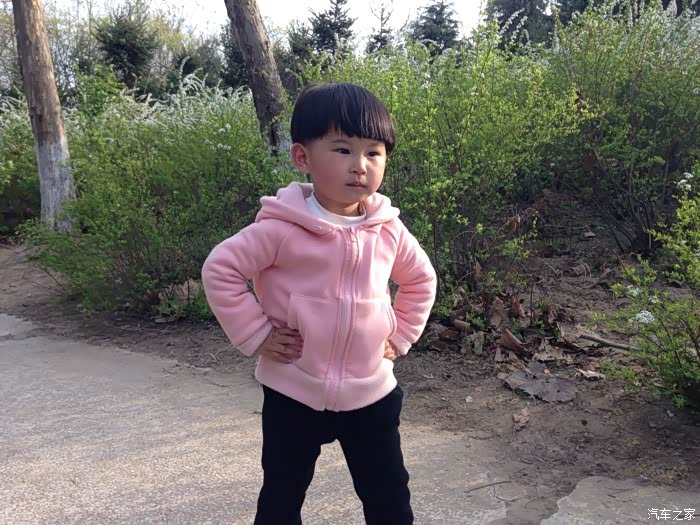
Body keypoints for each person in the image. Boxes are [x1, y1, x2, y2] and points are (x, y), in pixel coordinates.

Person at [201, 82, 437, 525]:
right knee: (281, 497)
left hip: (371, 393)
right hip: (293, 390)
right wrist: (258, 334)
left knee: (389, 499)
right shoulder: (282, 227)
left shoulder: (387, 229)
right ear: (302, 157)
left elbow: (421, 279)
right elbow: (221, 269)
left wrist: (402, 333)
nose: (360, 165)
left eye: (374, 152)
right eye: (343, 150)